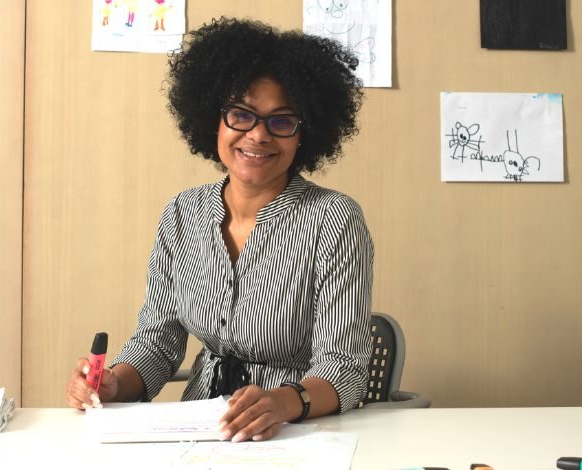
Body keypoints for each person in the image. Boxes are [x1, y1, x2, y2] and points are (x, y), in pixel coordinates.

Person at [66, 17, 373, 443]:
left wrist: (283, 402)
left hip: (299, 432)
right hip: (198, 428)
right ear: (216, 119)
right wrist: (113, 382)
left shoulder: (335, 219)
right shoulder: (182, 213)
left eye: (282, 121)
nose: (259, 135)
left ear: (306, 133)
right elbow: (157, 343)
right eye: (241, 114)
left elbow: (345, 365)